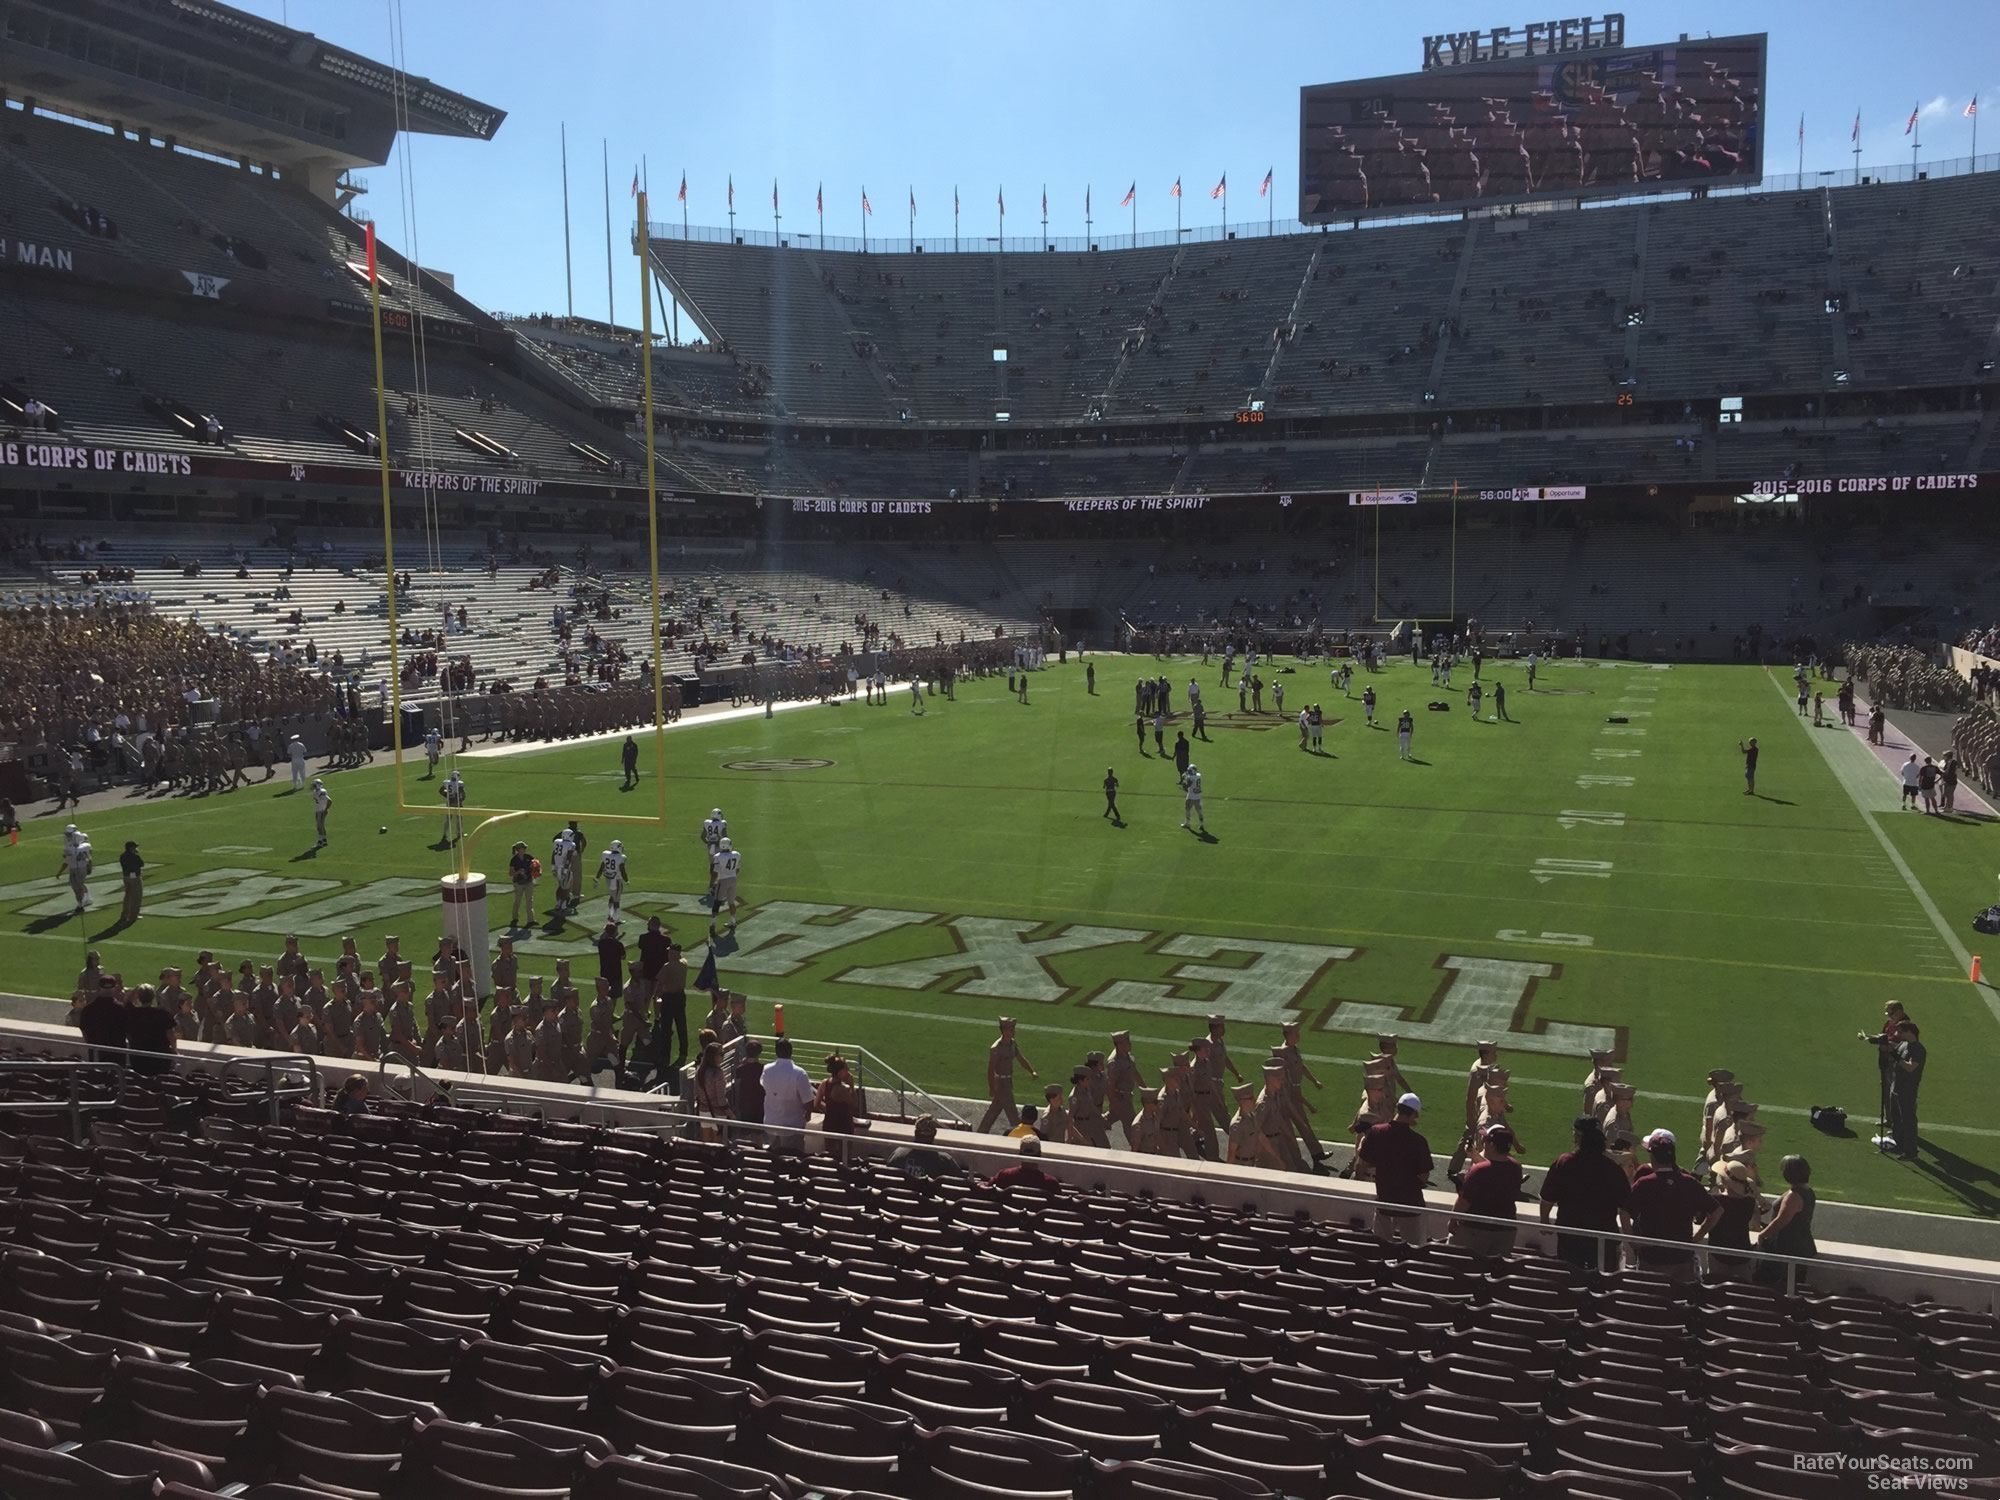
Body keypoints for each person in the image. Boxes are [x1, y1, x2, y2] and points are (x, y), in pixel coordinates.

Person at [1622, 1128, 1720, 1279]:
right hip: (1682, 1258)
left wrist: (1632, 1241)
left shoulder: (1644, 1183)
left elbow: (1624, 1211)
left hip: (1651, 1259)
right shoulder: (1689, 1182)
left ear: (1653, 1157)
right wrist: (1697, 1238)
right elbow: (1716, 1211)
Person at [1538, 1117, 1631, 1269]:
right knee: (1602, 1285)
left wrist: (1544, 1221)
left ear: (1578, 1137)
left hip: (1571, 1236)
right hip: (1603, 1238)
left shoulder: (1564, 1162)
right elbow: (1626, 1204)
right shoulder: (1612, 1168)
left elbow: (1547, 1198)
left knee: (1571, 1281)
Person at [1357, 1093, 1434, 1243]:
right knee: (1413, 1249)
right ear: (1414, 1114)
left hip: (1384, 1200)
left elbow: (1361, 1165)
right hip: (1410, 1204)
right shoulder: (1418, 1141)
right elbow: (1424, 1175)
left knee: (1381, 1248)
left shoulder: (1376, 1132)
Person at [1453, 1124, 1523, 1257]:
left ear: (1491, 1145)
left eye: (1485, 1141)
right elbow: (1497, 1167)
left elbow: (1464, 1201)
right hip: (1505, 1229)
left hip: (1476, 1229)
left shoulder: (1479, 1170)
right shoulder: (1516, 1168)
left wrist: (1453, 1219)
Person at [1753, 1154, 1817, 1286]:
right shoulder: (1807, 1191)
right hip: (1800, 1246)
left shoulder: (1794, 1196)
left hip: (1786, 1248)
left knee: (1776, 1286)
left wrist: (1763, 1234)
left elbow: (1781, 1220)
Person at [1701, 1159, 1759, 1279]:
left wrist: (1695, 1239)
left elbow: (1707, 1223)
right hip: (1742, 1253)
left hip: (1718, 1252)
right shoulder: (1750, 1202)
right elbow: (1755, 1226)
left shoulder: (1715, 1200)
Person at [977, 1017, 1036, 1133]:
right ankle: (1020, 1133)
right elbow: (990, 1069)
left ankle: (980, 1132)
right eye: (1010, 1029)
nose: (1013, 1031)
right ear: (1003, 1030)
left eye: (1013, 1029)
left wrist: (1031, 1070)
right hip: (1001, 1084)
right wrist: (992, 1087)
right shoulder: (996, 1048)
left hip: (1008, 1081)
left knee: (994, 1110)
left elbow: (1020, 1058)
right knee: (1012, 1112)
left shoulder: (1012, 1043)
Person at [762, 1037, 816, 1149]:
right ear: (791, 1052)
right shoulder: (799, 1073)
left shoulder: (766, 1070)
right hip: (792, 1126)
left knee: (773, 1158)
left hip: (771, 1123)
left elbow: (766, 1088)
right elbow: (808, 1102)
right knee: (793, 1161)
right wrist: (808, 1114)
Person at [1886, 1019, 1925, 1159]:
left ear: (1909, 1032)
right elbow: (1895, 1051)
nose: (1898, 1033)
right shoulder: (1903, 1044)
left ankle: (1911, 1151)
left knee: (1908, 1121)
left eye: (1900, 1031)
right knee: (1896, 1119)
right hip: (1896, 1087)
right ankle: (1899, 1145)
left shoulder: (1918, 1049)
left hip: (1907, 1091)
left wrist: (1895, 1056)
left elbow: (1910, 1067)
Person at [888, 1115, 966, 1180]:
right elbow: (961, 1182)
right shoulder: (945, 1160)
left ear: (916, 1132)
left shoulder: (898, 1154)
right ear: (935, 1133)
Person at [122, 983, 176, 1076]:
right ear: (153, 997)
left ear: (138, 997)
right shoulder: (162, 1014)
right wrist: (174, 1050)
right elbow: (170, 1034)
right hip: (160, 1057)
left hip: (138, 1057)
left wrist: (137, 988)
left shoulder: (132, 1014)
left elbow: (127, 1001)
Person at [991, 1136, 1062, 1193]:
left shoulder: (1003, 1176)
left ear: (1019, 1153)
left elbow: (987, 1189)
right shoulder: (1051, 1183)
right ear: (1040, 1155)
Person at [709, 837, 741, 935]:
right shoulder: (737, 854)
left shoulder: (718, 856)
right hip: (733, 879)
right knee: (731, 902)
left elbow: (715, 873)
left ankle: (713, 925)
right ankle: (733, 921)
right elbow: (738, 869)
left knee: (717, 902)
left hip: (723, 880)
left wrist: (711, 884)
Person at [57, 827, 93, 912]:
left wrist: (60, 872)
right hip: (76, 868)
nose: (67, 837)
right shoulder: (83, 845)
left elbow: (67, 862)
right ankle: (82, 901)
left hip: (79, 868)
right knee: (76, 886)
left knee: (78, 886)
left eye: (69, 835)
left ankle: (82, 903)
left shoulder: (74, 847)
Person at [597, 839, 629, 924]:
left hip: (608, 879)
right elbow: (622, 870)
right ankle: (616, 918)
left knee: (612, 896)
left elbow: (602, 867)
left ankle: (610, 914)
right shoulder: (621, 857)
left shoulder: (605, 855)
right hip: (617, 880)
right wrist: (626, 880)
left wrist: (597, 877)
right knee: (616, 900)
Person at [508, 840, 536, 928]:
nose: (525, 849)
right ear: (518, 849)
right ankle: (515, 917)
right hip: (518, 883)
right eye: (523, 848)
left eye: (525, 848)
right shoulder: (514, 860)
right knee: (518, 900)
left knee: (529, 900)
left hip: (528, 882)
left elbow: (535, 866)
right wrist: (519, 871)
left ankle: (531, 920)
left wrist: (536, 870)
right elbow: (511, 874)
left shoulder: (529, 857)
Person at [118, 840, 145, 925]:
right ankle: (133, 916)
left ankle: (124, 915)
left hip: (126, 877)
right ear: (131, 848)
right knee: (136, 897)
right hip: (135, 877)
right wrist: (136, 854)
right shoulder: (135, 856)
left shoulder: (122, 856)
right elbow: (141, 864)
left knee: (128, 895)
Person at [439, 770, 465, 844]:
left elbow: (441, 791)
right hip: (457, 802)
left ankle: (445, 834)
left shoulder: (446, 782)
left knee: (448, 819)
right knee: (459, 818)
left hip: (449, 802)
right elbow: (461, 793)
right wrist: (461, 799)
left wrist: (447, 796)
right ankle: (459, 833)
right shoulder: (459, 783)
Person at [1179, 762, 1205, 834]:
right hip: (1198, 796)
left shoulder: (1191, 777)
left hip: (1191, 796)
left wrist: (1184, 781)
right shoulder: (1198, 775)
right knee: (1199, 811)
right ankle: (1202, 824)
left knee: (1187, 809)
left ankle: (1187, 823)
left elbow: (1187, 786)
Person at [311, 777, 332, 847]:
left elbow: (330, 801)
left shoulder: (322, 792)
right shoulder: (315, 792)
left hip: (321, 811)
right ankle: (322, 840)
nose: (312, 786)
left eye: (314, 785)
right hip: (318, 810)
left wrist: (326, 809)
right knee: (319, 826)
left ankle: (322, 841)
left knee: (320, 826)